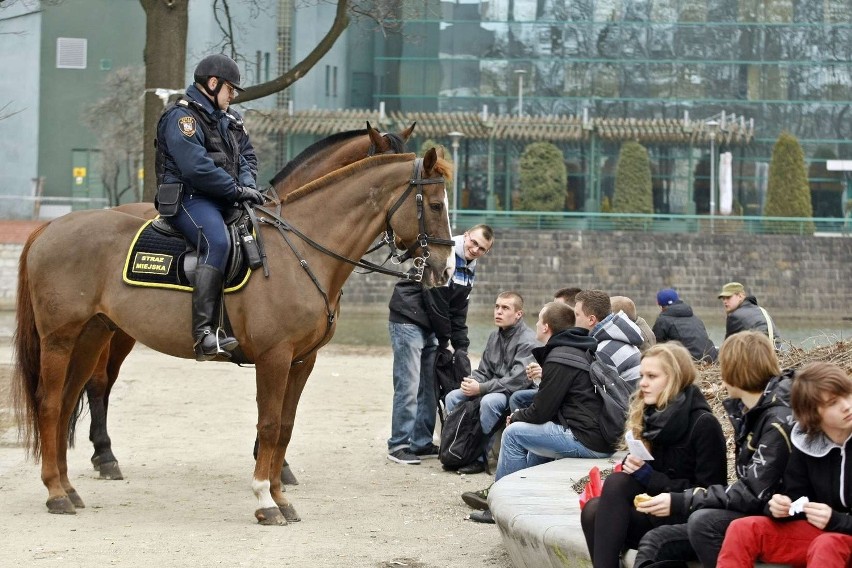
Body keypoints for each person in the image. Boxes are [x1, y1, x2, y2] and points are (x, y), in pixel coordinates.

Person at [632, 331, 794, 568]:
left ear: (734, 371)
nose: (720, 376)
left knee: (700, 523)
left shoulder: (776, 420)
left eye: (723, 366)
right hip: (760, 509)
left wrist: (681, 500)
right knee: (656, 538)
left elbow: (751, 492)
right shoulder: (752, 412)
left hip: (778, 515)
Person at [463, 301, 613, 524]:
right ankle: (521, 502)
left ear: (545, 327)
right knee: (534, 445)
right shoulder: (575, 349)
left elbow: (542, 411)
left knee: (513, 433)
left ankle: (499, 507)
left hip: (586, 438)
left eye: (538, 320)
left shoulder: (560, 356)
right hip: (594, 434)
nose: (535, 325)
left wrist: (516, 416)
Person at [155, 53, 263, 361]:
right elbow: (196, 168)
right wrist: (236, 190)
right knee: (216, 240)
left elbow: (247, 158)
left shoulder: (230, 119)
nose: (233, 96)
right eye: (231, 89)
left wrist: (248, 187)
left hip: (225, 196)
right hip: (189, 198)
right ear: (213, 84)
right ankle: (204, 334)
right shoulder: (182, 118)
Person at [581, 343, 727, 568]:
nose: (643, 383)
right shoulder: (651, 414)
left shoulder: (703, 424)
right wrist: (634, 464)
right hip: (653, 510)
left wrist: (649, 477)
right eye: (642, 376)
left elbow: (712, 495)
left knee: (612, 491)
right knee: (594, 508)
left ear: (674, 379)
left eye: (651, 376)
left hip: (685, 518)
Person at [716, 361, 852, 568]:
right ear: (812, 413)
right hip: (824, 535)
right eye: (833, 402)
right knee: (743, 529)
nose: (846, 405)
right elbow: (798, 498)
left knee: (827, 544)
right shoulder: (806, 443)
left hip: (837, 538)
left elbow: (833, 526)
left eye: (848, 394)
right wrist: (780, 508)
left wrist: (837, 521)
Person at [386, 224, 494, 465]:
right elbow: (435, 301)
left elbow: (457, 311)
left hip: (430, 326)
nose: (475, 249)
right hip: (408, 319)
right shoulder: (442, 253)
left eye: (482, 248)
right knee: (409, 384)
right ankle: (398, 445)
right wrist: (447, 342)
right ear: (465, 236)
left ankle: (421, 443)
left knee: (430, 387)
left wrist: (462, 347)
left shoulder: (469, 269)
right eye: (473, 242)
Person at [443, 291, 540, 474]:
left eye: (505, 308)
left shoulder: (529, 340)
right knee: (453, 396)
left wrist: (481, 388)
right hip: (491, 387)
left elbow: (516, 381)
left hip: (513, 393)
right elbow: (484, 370)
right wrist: (472, 381)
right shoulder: (494, 337)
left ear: (518, 314)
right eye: (497, 307)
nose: (498, 312)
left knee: (489, 401)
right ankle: (456, 451)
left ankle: (480, 459)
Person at [510, 286, 582, 413]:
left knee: (513, 430)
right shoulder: (562, 344)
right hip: (564, 403)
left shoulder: (565, 348)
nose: (552, 312)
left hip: (570, 413)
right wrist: (543, 375)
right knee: (517, 398)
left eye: (557, 308)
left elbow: (554, 396)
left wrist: (518, 417)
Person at [574, 289, 643, 385]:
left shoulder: (603, 351)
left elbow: (604, 394)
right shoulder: (618, 336)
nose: (574, 320)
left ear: (591, 320)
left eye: (577, 315)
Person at [652, 288, 718, 363]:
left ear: (660, 305)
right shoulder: (695, 318)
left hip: (689, 362)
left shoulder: (662, 320)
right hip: (710, 358)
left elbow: (655, 344)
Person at [719, 282, 782, 349]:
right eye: (723, 298)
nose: (725, 301)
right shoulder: (761, 310)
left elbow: (726, 348)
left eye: (728, 297)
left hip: (758, 355)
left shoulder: (734, 316)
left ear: (740, 296)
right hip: (777, 354)